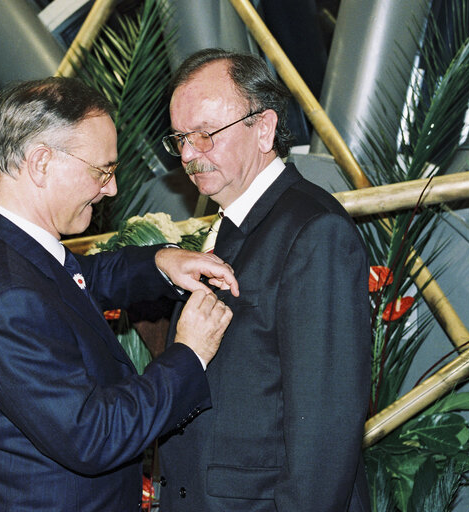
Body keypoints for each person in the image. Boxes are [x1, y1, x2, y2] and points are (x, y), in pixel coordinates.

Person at [0, 77, 238, 511]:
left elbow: (72, 280)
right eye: (102, 170)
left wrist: (159, 262)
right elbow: (94, 435)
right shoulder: (7, 296)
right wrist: (189, 353)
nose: (111, 188)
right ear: (41, 163)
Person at [158, 49, 371, 511]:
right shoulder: (233, 223)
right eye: (180, 139)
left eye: (205, 135)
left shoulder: (314, 230)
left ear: (265, 128)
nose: (190, 155)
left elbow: (325, 430)